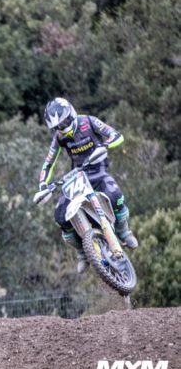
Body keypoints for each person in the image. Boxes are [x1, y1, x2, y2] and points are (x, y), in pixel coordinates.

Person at [38, 97, 138, 273]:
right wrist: (43, 185)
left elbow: (117, 135)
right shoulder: (59, 138)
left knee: (116, 196)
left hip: (98, 169)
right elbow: (48, 163)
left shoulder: (89, 121)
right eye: (57, 127)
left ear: (71, 113)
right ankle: (82, 253)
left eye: (64, 122)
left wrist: (105, 146)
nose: (62, 128)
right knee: (60, 216)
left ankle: (124, 232)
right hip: (77, 176)